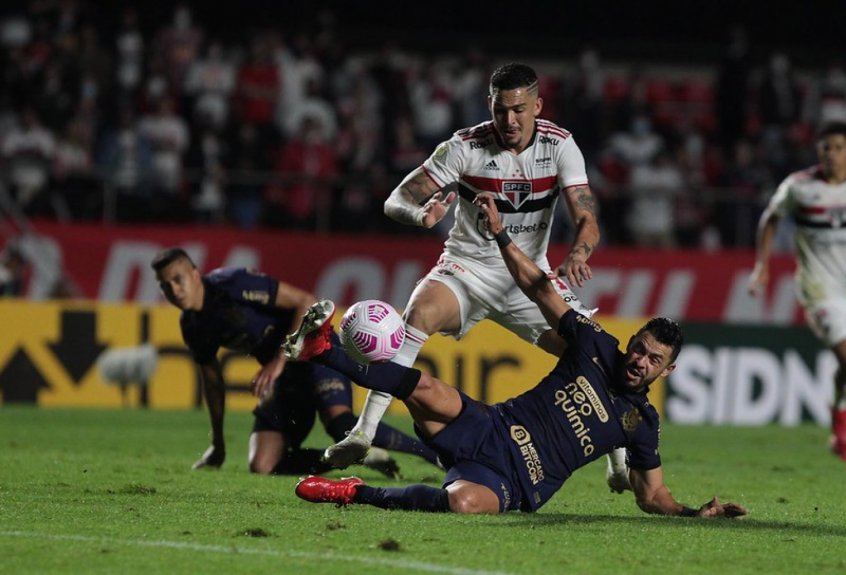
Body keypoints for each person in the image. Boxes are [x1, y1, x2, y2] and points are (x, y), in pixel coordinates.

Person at [285, 194, 748, 518]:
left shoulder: (642, 423)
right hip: (489, 425)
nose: (640, 361)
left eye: (653, 360)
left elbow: (652, 496)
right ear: (631, 344)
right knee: (421, 385)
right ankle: (322, 349)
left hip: (517, 481)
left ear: (668, 371)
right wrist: (504, 237)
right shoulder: (595, 344)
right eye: (640, 349)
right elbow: (540, 288)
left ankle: (356, 493)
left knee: (464, 505)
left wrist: (693, 513)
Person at [325, 62, 629, 492]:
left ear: (537, 106)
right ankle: (363, 432)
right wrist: (419, 214)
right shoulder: (464, 147)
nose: (509, 120)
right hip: (467, 270)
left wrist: (578, 253)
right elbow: (397, 199)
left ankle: (617, 463)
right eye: (501, 110)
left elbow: (587, 217)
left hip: (527, 278)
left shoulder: (561, 146)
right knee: (418, 314)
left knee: (595, 353)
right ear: (490, 105)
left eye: (519, 110)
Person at [150, 247, 441, 477]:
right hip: (286, 380)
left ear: (195, 274)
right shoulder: (191, 325)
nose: (174, 290)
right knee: (263, 464)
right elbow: (212, 382)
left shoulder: (232, 284)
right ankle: (358, 458)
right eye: (165, 286)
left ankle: (431, 452)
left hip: (317, 356)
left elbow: (305, 301)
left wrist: (276, 363)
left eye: (178, 279)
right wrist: (218, 444)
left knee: (341, 425)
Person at [748, 121, 846, 460]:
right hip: (819, 288)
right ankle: (843, 427)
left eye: (838, 147)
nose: (831, 154)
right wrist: (762, 265)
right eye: (825, 148)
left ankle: (838, 418)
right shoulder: (800, 186)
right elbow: (771, 218)